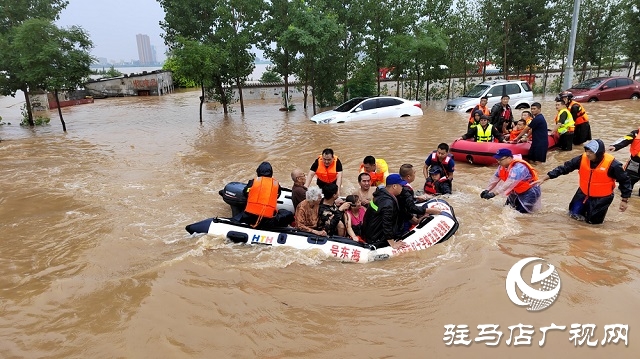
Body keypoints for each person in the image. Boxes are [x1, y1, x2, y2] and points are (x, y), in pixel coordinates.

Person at [533, 139, 631, 224]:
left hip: (602, 198)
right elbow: (565, 168)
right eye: (587, 151)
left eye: (591, 152)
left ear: (599, 153)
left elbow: (625, 180)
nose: (587, 154)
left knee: (592, 224)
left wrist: (624, 200)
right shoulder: (582, 159)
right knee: (573, 216)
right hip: (583, 193)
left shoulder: (613, 165)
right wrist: (546, 177)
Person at [480, 149, 542, 213]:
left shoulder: (518, 168)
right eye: (497, 160)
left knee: (521, 215)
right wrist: (487, 190)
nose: (498, 162)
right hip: (516, 190)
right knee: (506, 209)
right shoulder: (502, 166)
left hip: (529, 192)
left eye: (500, 159)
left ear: (509, 158)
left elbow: (509, 183)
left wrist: (494, 193)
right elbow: (495, 179)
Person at [234, 162, 294, 228]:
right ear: (271, 172)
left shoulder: (253, 182)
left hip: (248, 218)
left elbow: (245, 193)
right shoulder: (276, 184)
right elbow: (277, 196)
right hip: (267, 221)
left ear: (258, 171)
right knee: (288, 213)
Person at [361, 174, 408, 249]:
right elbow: (387, 223)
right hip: (376, 238)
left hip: (369, 231)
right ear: (394, 186)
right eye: (401, 185)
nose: (402, 188)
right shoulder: (388, 203)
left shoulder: (380, 193)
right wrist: (393, 244)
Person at [398, 164, 441, 230]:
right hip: (402, 220)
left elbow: (404, 201)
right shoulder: (406, 189)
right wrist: (429, 210)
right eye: (414, 173)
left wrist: (415, 198)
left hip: (402, 212)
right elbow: (411, 208)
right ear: (408, 177)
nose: (415, 175)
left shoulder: (400, 184)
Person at [608, 126, 640, 196]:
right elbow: (625, 139)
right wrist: (615, 146)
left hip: (634, 165)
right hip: (634, 165)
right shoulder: (635, 133)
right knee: (624, 186)